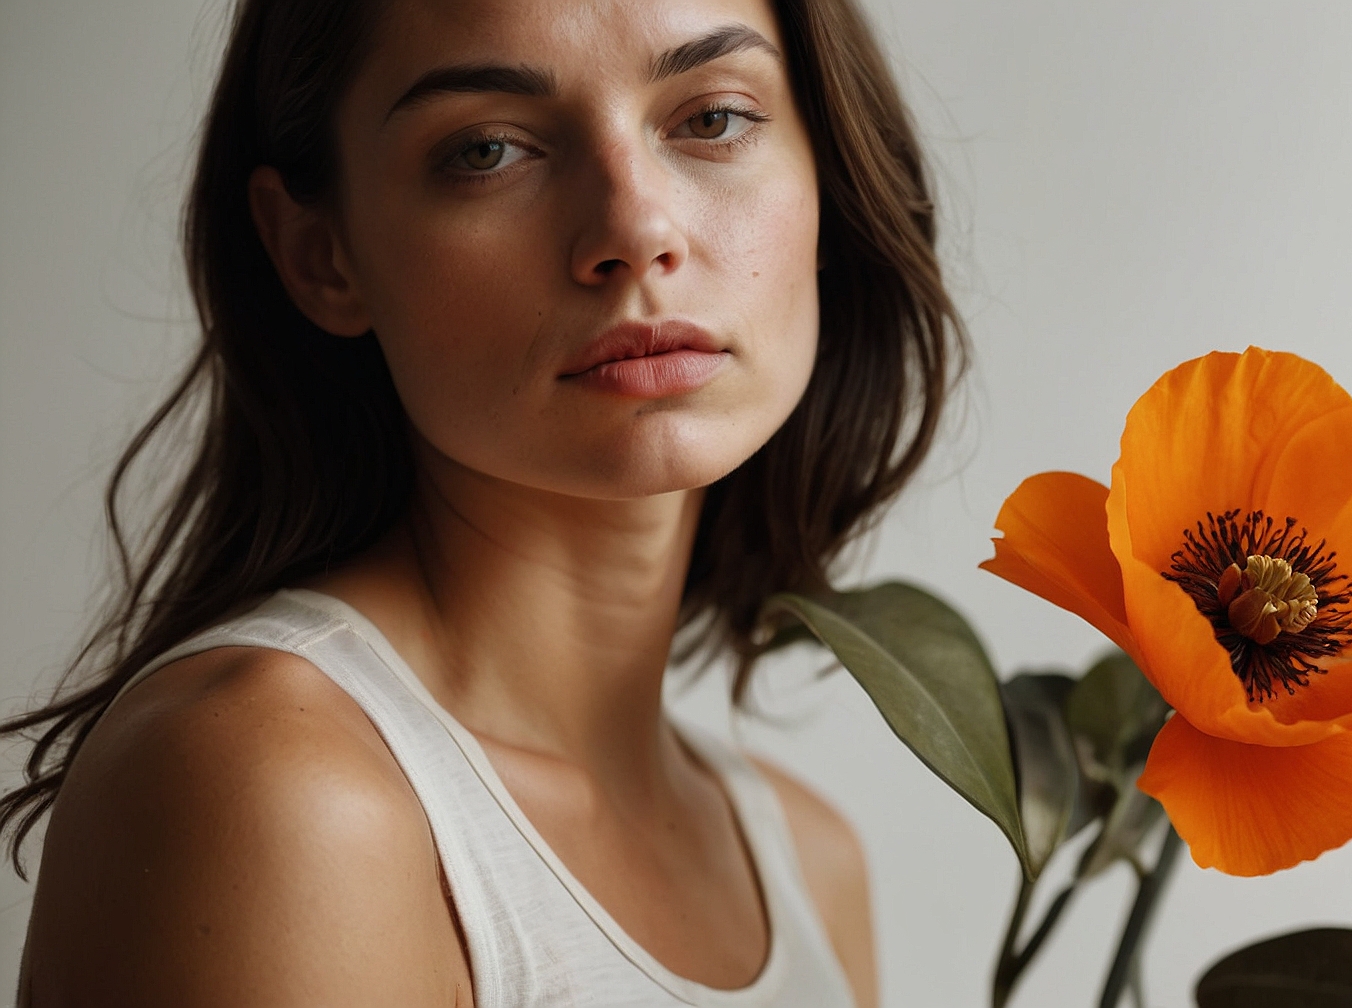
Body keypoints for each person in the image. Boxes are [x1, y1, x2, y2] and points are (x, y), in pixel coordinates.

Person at [4, 0, 960, 1003]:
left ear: (827, 175)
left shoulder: (810, 862)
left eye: (711, 119)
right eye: (489, 149)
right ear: (319, 255)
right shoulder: (277, 788)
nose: (635, 229)